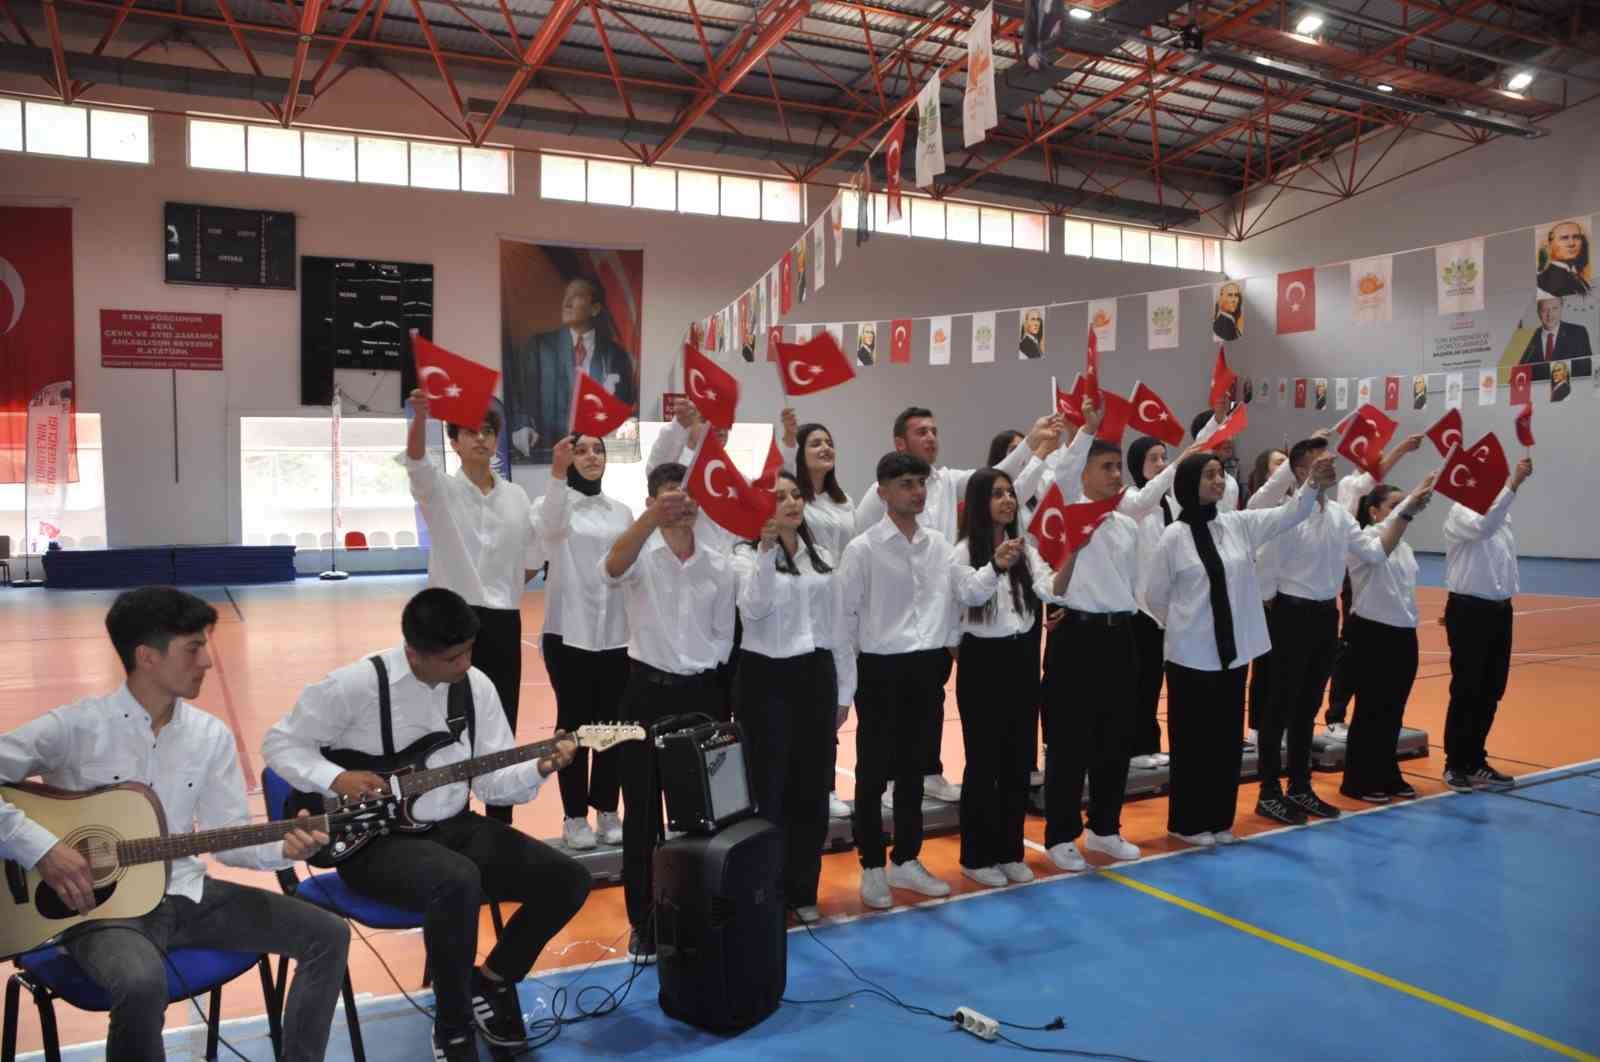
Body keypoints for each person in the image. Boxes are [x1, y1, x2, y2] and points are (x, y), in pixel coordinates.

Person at [0, 588, 350, 1062]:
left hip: (186, 895)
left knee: (327, 934)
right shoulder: (75, 728)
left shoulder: (210, 736)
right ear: (146, 656)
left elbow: (228, 838)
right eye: (193, 648)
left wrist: (284, 850)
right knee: (143, 982)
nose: (207, 660)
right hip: (98, 913)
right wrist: (43, 849)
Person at [263, 588, 586, 1062]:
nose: (465, 665)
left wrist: (540, 767)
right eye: (453, 657)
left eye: (469, 651)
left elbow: (493, 784)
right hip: (371, 844)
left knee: (568, 879)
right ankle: (452, 1024)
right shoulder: (354, 685)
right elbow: (280, 745)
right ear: (413, 652)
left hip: (452, 826)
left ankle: (492, 982)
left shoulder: (476, 687)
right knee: (457, 880)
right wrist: (337, 777)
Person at [854, 406, 1055, 805]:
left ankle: (927, 769)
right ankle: (891, 779)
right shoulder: (875, 499)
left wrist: (1033, 441)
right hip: (892, 619)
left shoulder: (946, 481)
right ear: (900, 443)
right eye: (920, 432)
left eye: (934, 430)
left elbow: (998, 476)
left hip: (943, 610)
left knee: (931, 697)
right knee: (893, 707)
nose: (931, 437)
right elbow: (863, 551)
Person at [1144, 451, 1333, 847]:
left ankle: (1218, 820)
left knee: (1225, 741)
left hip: (1232, 655)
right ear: (1189, 484)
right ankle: (1188, 823)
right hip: (1191, 657)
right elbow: (1155, 596)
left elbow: (1289, 515)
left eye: (1220, 474)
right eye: (1209, 475)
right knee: (1194, 744)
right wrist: (1186, 626)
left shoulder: (1237, 525)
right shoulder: (1173, 538)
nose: (1218, 481)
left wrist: (1312, 483)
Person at [601, 462, 736, 957]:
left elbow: (724, 636)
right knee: (640, 813)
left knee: (708, 810)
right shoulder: (641, 553)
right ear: (652, 502)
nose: (681, 504)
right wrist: (650, 520)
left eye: (687, 495)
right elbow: (612, 567)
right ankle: (645, 919)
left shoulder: (720, 563)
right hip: (645, 694)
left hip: (702, 697)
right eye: (667, 496)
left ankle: (706, 906)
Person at [404, 388, 539, 826]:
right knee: (446, 724)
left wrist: (503, 590)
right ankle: (448, 819)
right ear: (455, 443)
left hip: (501, 620)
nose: (481, 439)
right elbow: (417, 465)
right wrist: (420, 417)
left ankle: (501, 824)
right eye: (470, 432)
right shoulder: (440, 490)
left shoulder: (517, 497)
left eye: (487, 431)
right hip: (449, 620)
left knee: (501, 723)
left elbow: (532, 560)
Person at [839, 452, 962, 908]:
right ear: (883, 491)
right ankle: (872, 865)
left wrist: (946, 650)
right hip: (880, 669)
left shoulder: (939, 546)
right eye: (907, 484)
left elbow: (949, 604)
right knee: (873, 774)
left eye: (920, 483)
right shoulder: (863, 549)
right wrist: (845, 686)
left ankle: (906, 859)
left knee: (915, 770)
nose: (917, 491)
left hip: (925, 667)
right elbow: (845, 621)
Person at [731, 472, 853, 923]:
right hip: (766, 679)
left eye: (796, 494)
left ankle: (803, 889)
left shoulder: (821, 556)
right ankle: (767, 890)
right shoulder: (744, 557)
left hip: (815, 677)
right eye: (778, 496)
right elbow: (754, 608)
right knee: (770, 790)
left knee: (811, 789)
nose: (790, 502)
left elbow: (839, 628)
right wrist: (765, 553)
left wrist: (845, 689)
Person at [1035, 440, 1148, 870]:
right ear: (1082, 473)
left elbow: (1131, 583)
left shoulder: (1126, 526)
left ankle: (1105, 828)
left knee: (1115, 739)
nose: (1117, 475)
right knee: (1068, 741)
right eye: (1107, 467)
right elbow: (1048, 579)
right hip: (1076, 637)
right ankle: (1061, 834)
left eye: (1119, 467)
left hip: (1119, 635)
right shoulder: (1062, 518)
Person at [1245, 436, 1366, 825]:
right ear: (1299, 472)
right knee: (1277, 706)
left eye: (1330, 458)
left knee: (1307, 706)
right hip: (1288, 615)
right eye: (1318, 461)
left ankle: (1300, 786)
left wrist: (1406, 511)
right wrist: (1269, 613)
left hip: (1323, 617)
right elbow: (1266, 570)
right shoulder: (1283, 514)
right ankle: (1269, 791)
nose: (1330, 464)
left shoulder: (1339, 515)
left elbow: (1372, 552)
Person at [950, 469, 1044, 888]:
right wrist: (994, 564)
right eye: (997, 494)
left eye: (1011, 493)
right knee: (983, 761)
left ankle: (1010, 849)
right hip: (983, 661)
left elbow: (1047, 586)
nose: (1007, 500)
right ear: (978, 503)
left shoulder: (1027, 548)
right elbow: (969, 594)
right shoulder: (963, 551)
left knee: (1018, 758)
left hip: (1021, 656)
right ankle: (976, 854)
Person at [540, 433, 633, 850]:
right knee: (574, 726)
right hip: (568, 632)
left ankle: (608, 810)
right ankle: (574, 816)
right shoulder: (553, 508)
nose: (592, 456)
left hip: (616, 634)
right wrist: (558, 474)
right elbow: (551, 527)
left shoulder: (622, 512)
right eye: (582, 450)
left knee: (611, 726)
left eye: (598, 450)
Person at [778, 410, 865, 819]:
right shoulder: (797, 501)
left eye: (829, 442)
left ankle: (826, 785)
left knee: (834, 699)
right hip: (805, 607)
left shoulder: (844, 500)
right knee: (808, 704)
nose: (826, 448)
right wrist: (789, 440)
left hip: (843, 606)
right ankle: (803, 785)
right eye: (815, 443)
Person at [1339, 476, 1436, 802]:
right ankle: (1359, 780)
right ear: (1374, 512)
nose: (1402, 511)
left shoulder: (1405, 547)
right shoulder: (1364, 540)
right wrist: (1408, 509)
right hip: (1373, 634)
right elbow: (1379, 553)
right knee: (1371, 710)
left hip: (1403, 635)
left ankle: (1386, 772)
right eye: (1394, 505)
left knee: (1393, 710)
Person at [1441, 455, 1534, 792]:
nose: (1494, 483)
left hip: (1498, 611)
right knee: (1467, 688)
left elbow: (1503, 557)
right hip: (1469, 611)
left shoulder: (1500, 516)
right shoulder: (1461, 514)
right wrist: (1514, 484)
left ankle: (1475, 759)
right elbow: (1484, 526)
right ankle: (1455, 764)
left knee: (1491, 689)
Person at [507, 275, 638, 462]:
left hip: (596, 455)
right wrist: (522, 426)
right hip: (547, 452)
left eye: (576, 296)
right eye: (566, 296)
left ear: (595, 308)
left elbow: (624, 409)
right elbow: (521, 395)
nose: (566, 303)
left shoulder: (615, 355)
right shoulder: (539, 346)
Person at [1123, 435, 1188, 769]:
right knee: (1139, 679)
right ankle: (1134, 748)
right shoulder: (1131, 500)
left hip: (1167, 605)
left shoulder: (1171, 504)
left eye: (1165, 457)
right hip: (1139, 607)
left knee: (1154, 680)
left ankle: (1149, 742)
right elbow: (1146, 498)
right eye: (1154, 458)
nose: (1162, 464)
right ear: (1138, 464)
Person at [1519, 297, 1592, 381]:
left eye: (1555, 308)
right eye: (1544, 310)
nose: (1550, 314)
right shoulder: (1527, 338)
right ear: (1538, 312)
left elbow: (1585, 371)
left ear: (1561, 308)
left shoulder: (1578, 333)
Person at [1187, 403, 1242, 512]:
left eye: (1229, 432)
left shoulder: (1231, 482)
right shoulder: (1188, 477)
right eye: (1221, 433)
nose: (1229, 439)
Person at [1536, 220, 1591, 298]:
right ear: (1550, 244)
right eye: (1564, 238)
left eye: (1576, 237)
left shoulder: (1576, 275)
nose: (1572, 243)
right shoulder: (1543, 280)